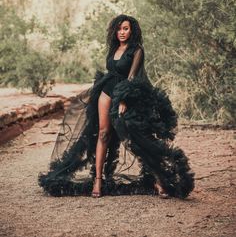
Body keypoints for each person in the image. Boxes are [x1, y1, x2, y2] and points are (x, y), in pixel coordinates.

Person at [38, 15, 194, 199]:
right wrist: (112, 95)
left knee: (137, 138)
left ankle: (158, 179)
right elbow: (111, 71)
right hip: (106, 91)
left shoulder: (137, 50)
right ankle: (97, 179)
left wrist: (123, 99)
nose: (122, 32)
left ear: (132, 30)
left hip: (127, 94)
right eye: (119, 29)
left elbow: (132, 77)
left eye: (126, 29)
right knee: (103, 133)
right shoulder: (113, 48)